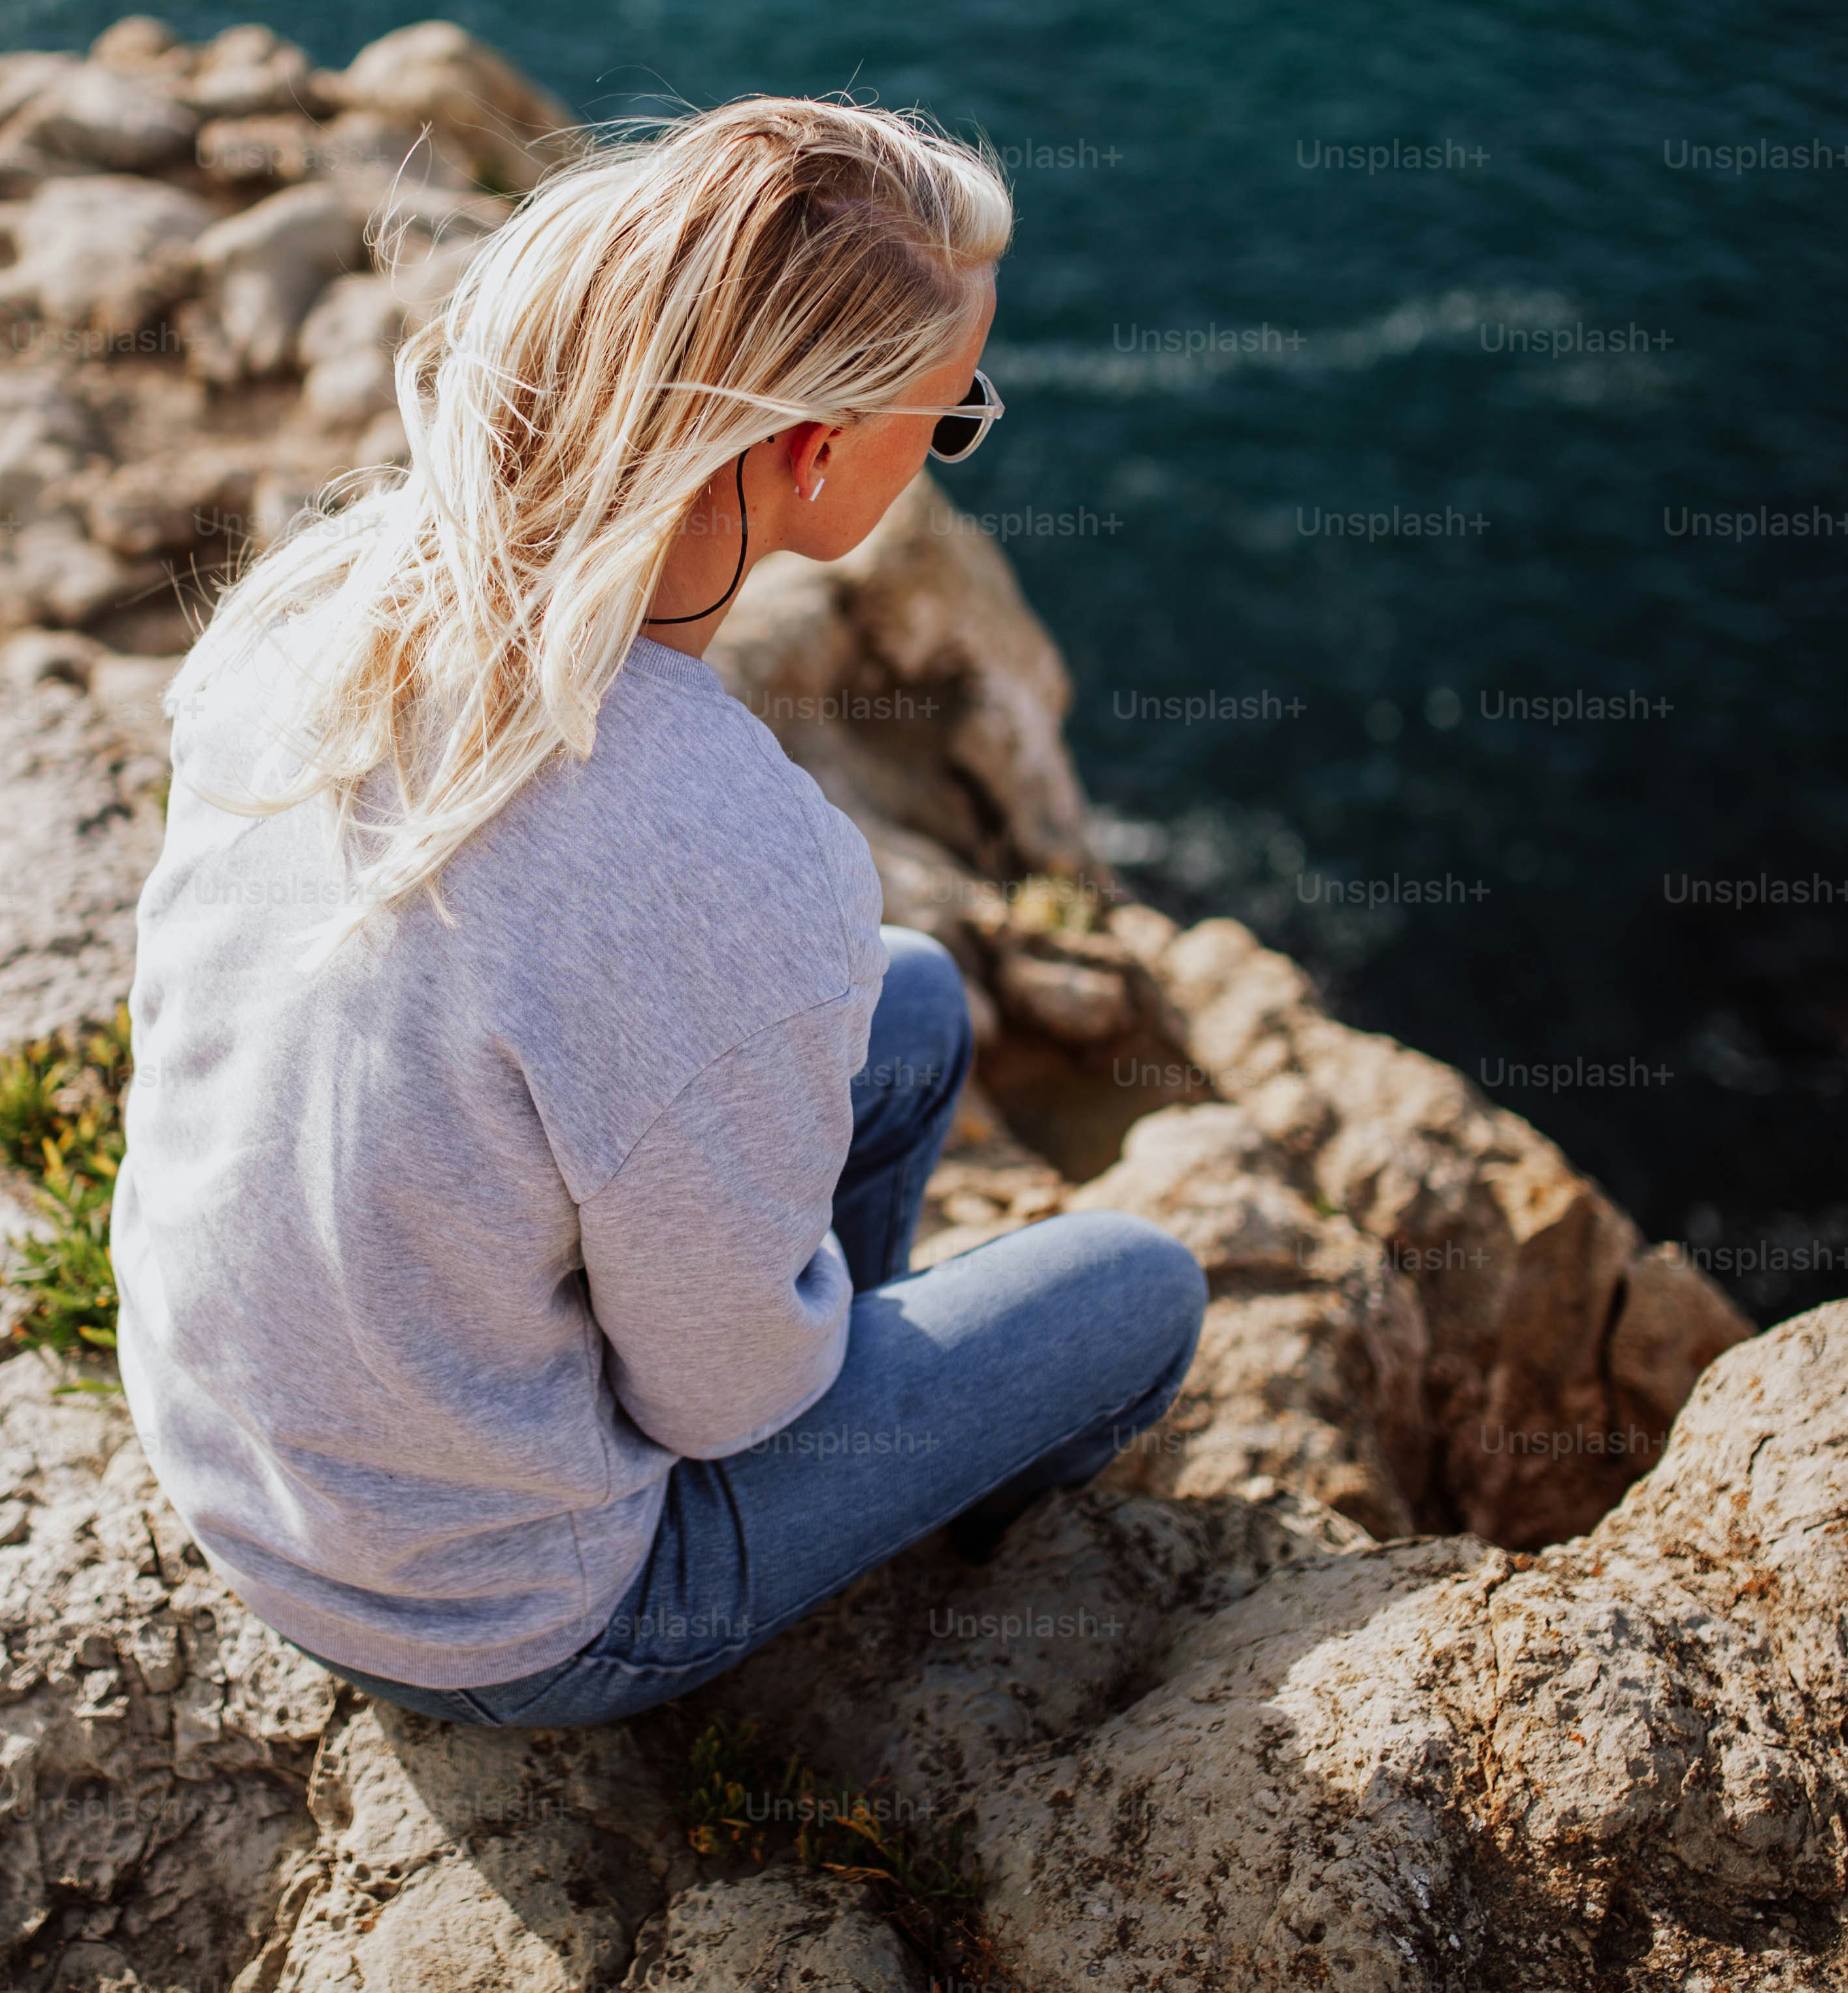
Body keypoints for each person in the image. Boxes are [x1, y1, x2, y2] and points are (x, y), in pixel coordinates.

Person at [107, 94, 1206, 1729]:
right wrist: (763, 1332)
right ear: (814, 454)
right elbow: (722, 1399)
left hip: (238, 1466)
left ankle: (816, 1400)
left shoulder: (314, 596)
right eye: (952, 416)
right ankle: (839, 1583)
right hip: (501, 1613)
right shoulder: (718, 848)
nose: (959, 430)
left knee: (909, 1004)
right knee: (1141, 1287)